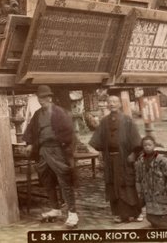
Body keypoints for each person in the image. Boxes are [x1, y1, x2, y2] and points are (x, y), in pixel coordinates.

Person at [22, 85, 78, 229]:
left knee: (64, 180)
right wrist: (29, 143)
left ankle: (72, 213)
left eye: (45, 98)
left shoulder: (60, 113)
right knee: (47, 180)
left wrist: (64, 146)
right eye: (40, 98)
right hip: (43, 151)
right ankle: (55, 208)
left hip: (58, 150)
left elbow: (69, 133)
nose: (42, 101)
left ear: (50, 98)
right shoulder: (37, 114)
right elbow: (31, 131)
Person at [89, 94, 143, 223]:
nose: (112, 104)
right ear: (107, 104)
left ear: (119, 104)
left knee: (127, 184)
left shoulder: (127, 120)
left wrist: (134, 154)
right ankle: (118, 214)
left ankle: (135, 213)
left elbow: (136, 140)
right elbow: (98, 140)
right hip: (110, 159)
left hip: (124, 158)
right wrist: (101, 152)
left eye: (114, 101)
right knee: (112, 185)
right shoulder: (104, 121)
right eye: (110, 102)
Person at [135, 135, 167, 229]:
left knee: (162, 213)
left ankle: (165, 230)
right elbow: (138, 177)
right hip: (147, 191)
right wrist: (139, 190)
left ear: (154, 145)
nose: (147, 147)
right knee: (150, 213)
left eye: (149, 145)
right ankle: (155, 227)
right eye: (145, 145)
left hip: (160, 190)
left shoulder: (161, 159)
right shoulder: (140, 161)